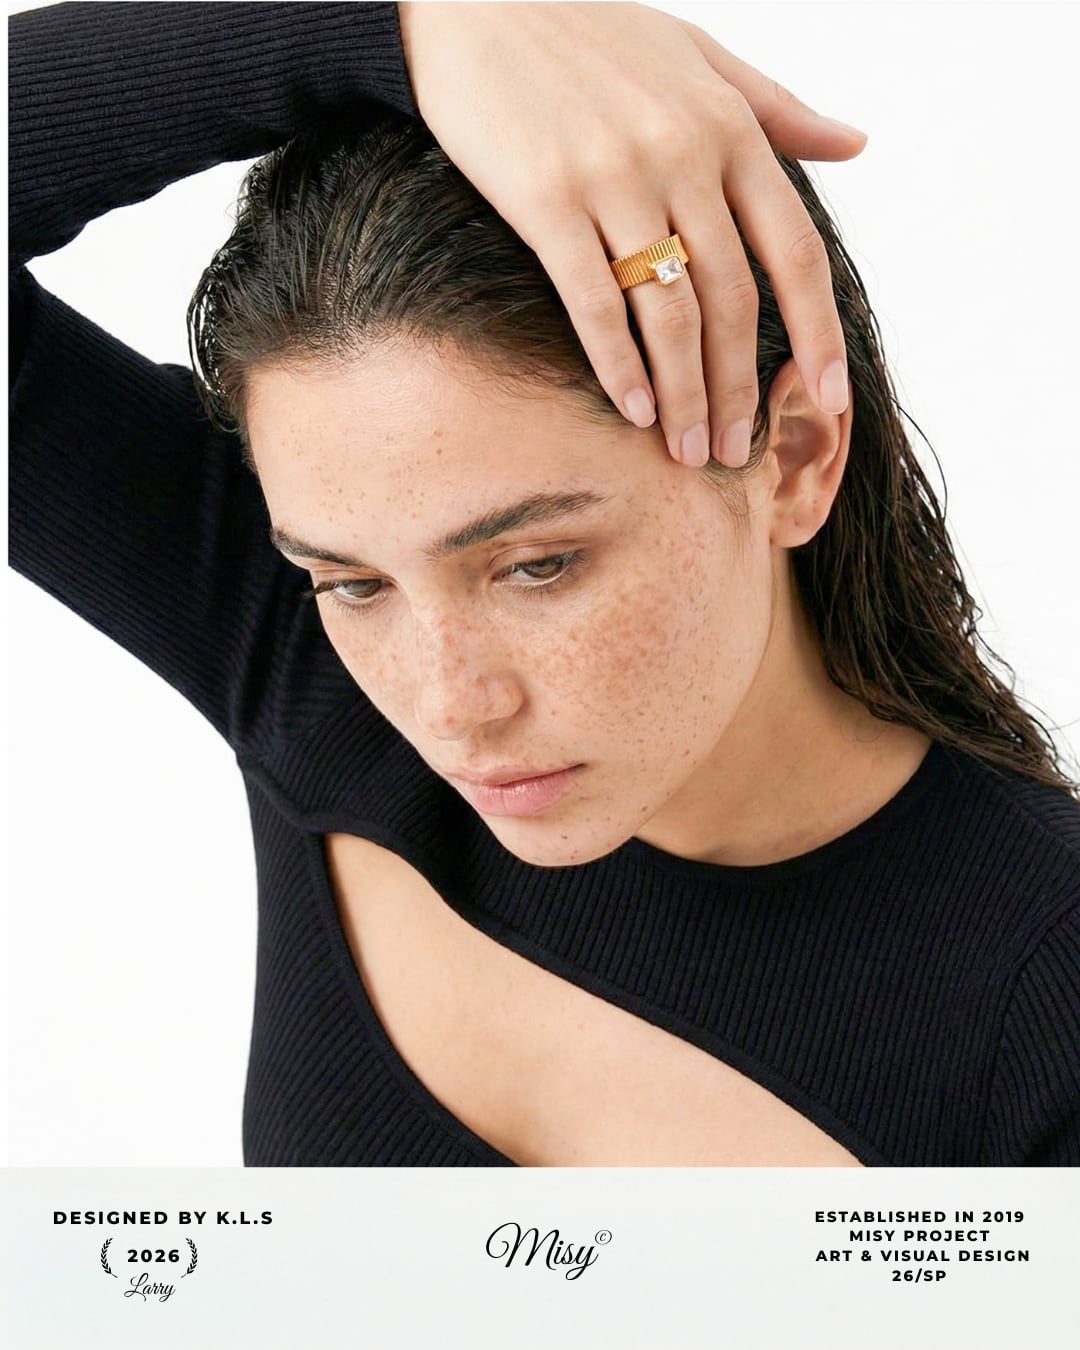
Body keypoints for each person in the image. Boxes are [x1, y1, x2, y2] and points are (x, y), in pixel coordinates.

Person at [10, 2, 1080, 1167]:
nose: (450, 707)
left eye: (537, 565)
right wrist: (402, 24)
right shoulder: (288, 650)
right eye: (352, 582)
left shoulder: (1049, 998)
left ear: (794, 458)